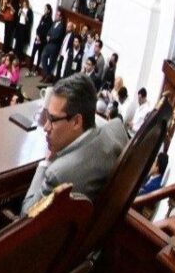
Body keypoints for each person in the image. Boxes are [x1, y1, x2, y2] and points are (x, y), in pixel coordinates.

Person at [21, 75, 129, 214]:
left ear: (76, 122)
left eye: (52, 119)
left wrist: (46, 163)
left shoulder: (58, 174)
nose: (46, 127)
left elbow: (26, 213)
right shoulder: (117, 129)